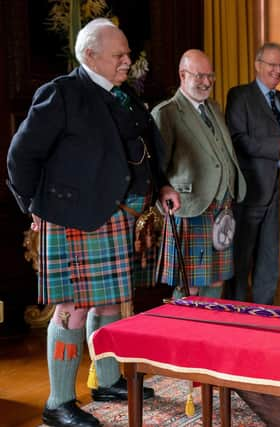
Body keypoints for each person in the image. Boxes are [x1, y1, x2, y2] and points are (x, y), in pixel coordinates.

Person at [6, 18, 180, 427]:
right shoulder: (62, 94)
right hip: (73, 219)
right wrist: (33, 204)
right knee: (72, 309)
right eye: (118, 55)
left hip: (115, 215)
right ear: (90, 56)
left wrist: (162, 185)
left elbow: (146, 146)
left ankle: (106, 380)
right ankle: (58, 402)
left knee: (110, 303)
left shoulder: (122, 97)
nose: (128, 61)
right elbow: (20, 157)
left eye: (126, 53)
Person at [151, 49, 246, 298]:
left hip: (222, 207)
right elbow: (157, 169)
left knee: (217, 280)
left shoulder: (213, 107)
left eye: (210, 76)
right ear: (183, 74)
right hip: (191, 207)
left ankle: (210, 335)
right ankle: (182, 336)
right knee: (189, 284)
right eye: (200, 75)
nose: (207, 82)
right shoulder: (167, 113)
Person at [225, 43, 280, 305]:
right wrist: (276, 146)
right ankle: (235, 311)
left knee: (271, 256)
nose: (278, 70)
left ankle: (263, 311)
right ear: (258, 65)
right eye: (272, 64)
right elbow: (237, 139)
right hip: (251, 189)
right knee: (242, 256)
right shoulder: (239, 96)